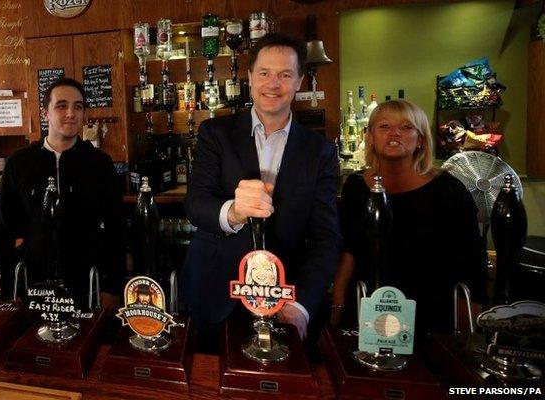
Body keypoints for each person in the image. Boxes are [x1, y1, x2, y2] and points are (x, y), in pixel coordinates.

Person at [181, 33, 341, 340]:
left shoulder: (319, 151)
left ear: (300, 81)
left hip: (285, 301)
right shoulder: (215, 133)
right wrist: (235, 212)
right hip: (215, 292)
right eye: (265, 73)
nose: (273, 84)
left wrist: (301, 306)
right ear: (250, 77)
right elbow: (196, 204)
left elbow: (325, 238)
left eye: (285, 75)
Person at [332, 99, 487, 334]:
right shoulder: (356, 187)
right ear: (370, 137)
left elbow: (472, 260)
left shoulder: (448, 190)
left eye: (406, 127)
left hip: (431, 312)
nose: (395, 133)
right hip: (368, 307)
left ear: (421, 140)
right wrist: (338, 304)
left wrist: (468, 320)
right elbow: (349, 251)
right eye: (384, 126)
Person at [0, 78, 125, 310]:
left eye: (78, 106)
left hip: (86, 283)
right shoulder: (19, 163)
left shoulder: (99, 163)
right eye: (61, 105)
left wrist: (113, 287)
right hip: (32, 283)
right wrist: (5, 289)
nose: (71, 113)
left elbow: (117, 229)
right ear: (46, 113)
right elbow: (2, 230)